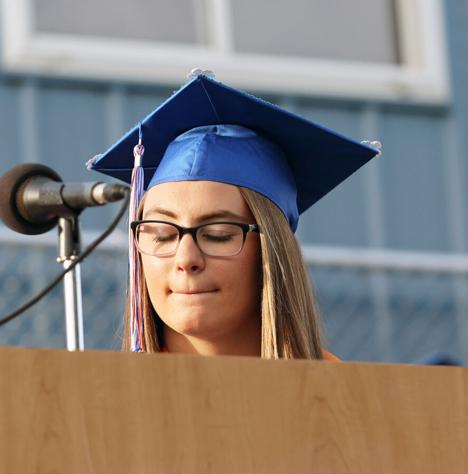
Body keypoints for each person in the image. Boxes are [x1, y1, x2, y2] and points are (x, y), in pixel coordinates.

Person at [89, 73, 380, 359]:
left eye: (217, 234)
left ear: (271, 251)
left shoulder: (343, 396)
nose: (186, 259)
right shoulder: (104, 398)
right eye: (162, 234)